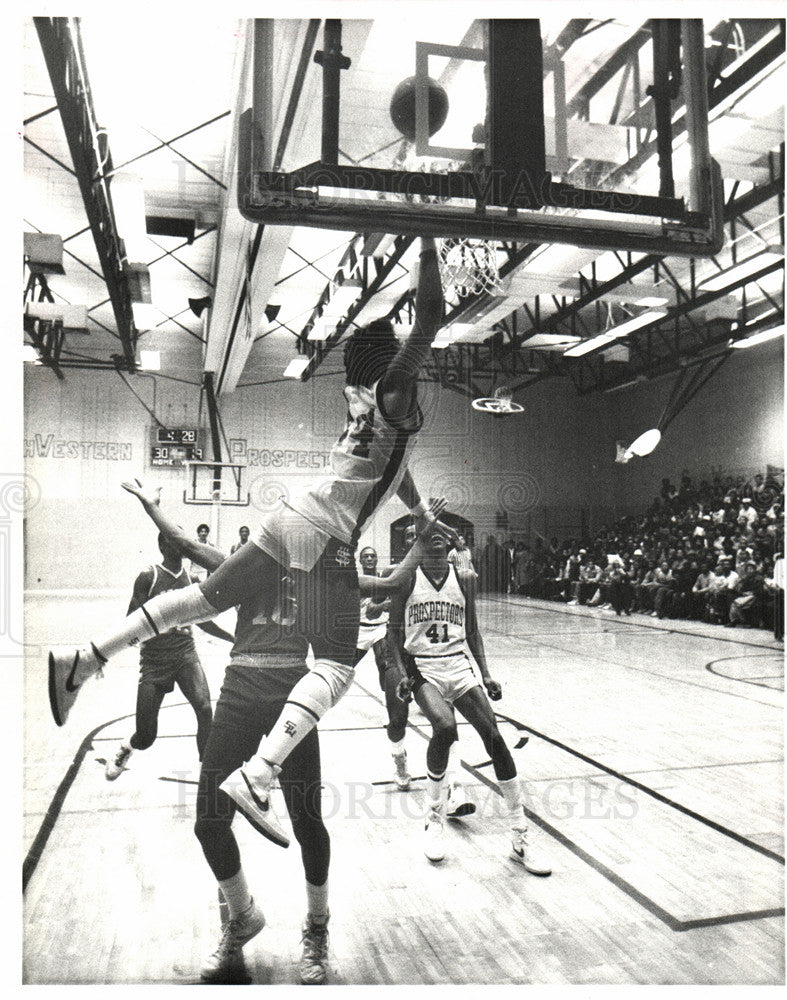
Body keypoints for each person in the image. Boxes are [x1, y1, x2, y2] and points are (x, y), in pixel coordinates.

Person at [49, 236, 445, 848]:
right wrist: (424, 245)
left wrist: (418, 513)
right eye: (398, 350)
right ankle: (259, 775)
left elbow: (396, 469)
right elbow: (432, 318)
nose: (407, 354)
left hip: (293, 510)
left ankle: (88, 658)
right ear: (390, 359)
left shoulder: (368, 401)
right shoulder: (395, 388)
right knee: (339, 663)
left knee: (206, 597)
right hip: (324, 533)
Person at [386, 524, 552, 874]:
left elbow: (472, 629)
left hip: (458, 664)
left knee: (494, 738)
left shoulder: (464, 578)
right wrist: (402, 674)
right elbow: (394, 634)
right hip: (423, 666)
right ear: (417, 541)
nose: (435, 535)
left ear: (450, 541)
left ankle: (520, 835)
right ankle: (433, 818)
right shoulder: (406, 578)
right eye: (426, 531)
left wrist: (486, 672)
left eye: (441, 532)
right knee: (444, 727)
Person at [102, 533, 230, 778]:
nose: (179, 543)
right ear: (162, 545)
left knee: (204, 709)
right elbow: (131, 621)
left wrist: (233, 638)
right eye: (172, 539)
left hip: (185, 655)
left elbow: (202, 622)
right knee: (146, 736)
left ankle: (207, 772)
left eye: (180, 539)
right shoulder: (148, 577)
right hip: (155, 660)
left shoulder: (191, 580)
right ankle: (126, 747)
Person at [354, 545, 412, 790]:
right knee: (333, 679)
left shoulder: (385, 578)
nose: (369, 559)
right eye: (365, 556)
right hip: (357, 631)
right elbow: (363, 608)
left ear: (377, 560)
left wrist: (384, 605)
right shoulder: (354, 580)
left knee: (389, 675)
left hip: (380, 630)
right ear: (360, 560)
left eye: (372, 556)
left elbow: (390, 601)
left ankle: (399, 758)